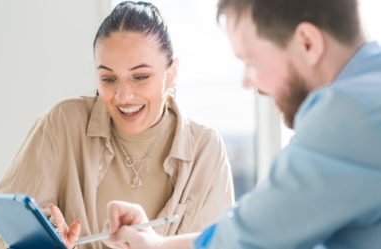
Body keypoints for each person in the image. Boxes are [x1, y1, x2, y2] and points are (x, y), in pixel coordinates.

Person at [101, 0, 381, 248]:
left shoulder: (346, 116)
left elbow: (250, 237)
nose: (248, 82)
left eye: (252, 62)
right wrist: (155, 244)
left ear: (307, 43)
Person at [0, 1, 235, 249]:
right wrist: (46, 242)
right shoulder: (62, 124)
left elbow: (222, 244)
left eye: (141, 77)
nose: (123, 96)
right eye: (109, 79)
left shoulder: (206, 150)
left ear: (172, 72)